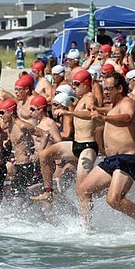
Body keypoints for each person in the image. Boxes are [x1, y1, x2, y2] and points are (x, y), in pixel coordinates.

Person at [77, 74, 135, 227]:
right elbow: (92, 114)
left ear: (120, 88)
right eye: (104, 89)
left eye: (109, 89)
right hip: (112, 160)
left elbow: (127, 118)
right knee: (83, 190)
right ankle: (86, 227)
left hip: (127, 159)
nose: (106, 92)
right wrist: (69, 113)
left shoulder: (127, 102)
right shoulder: (112, 107)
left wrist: (103, 118)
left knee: (113, 199)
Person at [33, 70, 99, 201]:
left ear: (86, 84)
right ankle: (48, 191)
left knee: (82, 189)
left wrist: (69, 114)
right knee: (44, 155)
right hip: (76, 144)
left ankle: (85, 221)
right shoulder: (80, 100)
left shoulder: (90, 98)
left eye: (77, 84)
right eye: (73, 84)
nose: (74, 87)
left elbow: (91, 113)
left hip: (88, 147)